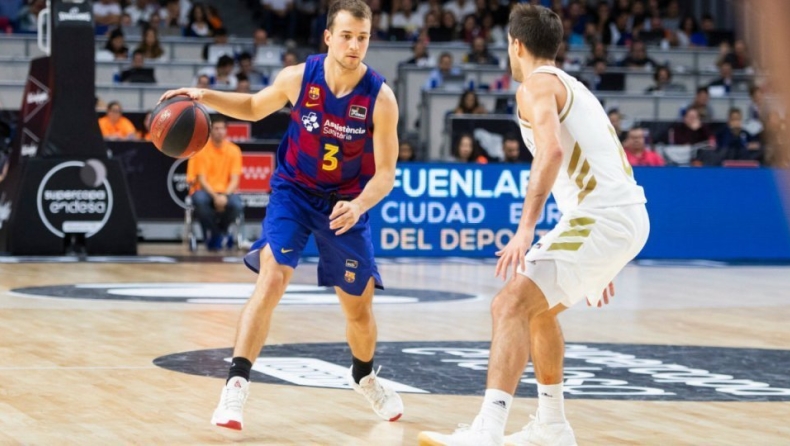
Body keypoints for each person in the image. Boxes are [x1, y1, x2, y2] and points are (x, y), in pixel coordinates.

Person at [159, 0, 403, 431]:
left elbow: (386, 175)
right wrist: (204, 96)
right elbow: (254, 106)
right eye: (346, 36)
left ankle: (364, 375)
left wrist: (359, 205)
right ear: (328, 37)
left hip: (345, 204)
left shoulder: (380, 98)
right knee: (272, 276)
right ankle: (235, 385)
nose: (354, 45)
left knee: (359, 310)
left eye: (362, 38)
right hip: (294, 191)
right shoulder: (299, 77)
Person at [419, 5, 649, 445]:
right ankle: (552, 427)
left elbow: (552, 152)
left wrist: (526, 228)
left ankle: (487, 432)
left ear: (516, 44)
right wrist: (605, 259)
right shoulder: (573, 86)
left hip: (603, 218)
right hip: (618, 215)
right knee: (537, 311)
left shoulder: (535, 86)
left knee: (508, 305)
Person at [185, 116, 244, 250]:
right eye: (216, 128)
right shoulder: (202, 149)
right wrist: (216, 197)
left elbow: (235, 180)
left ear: (226, 130)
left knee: (236, 205)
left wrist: (224, 196)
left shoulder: (234, 150)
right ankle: (219, 235)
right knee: (200, 201)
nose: (219, 131)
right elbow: (202, 180)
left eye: (222, 128)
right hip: (205, 191)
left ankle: (217, 234)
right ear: (210, 130)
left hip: (226, 191)